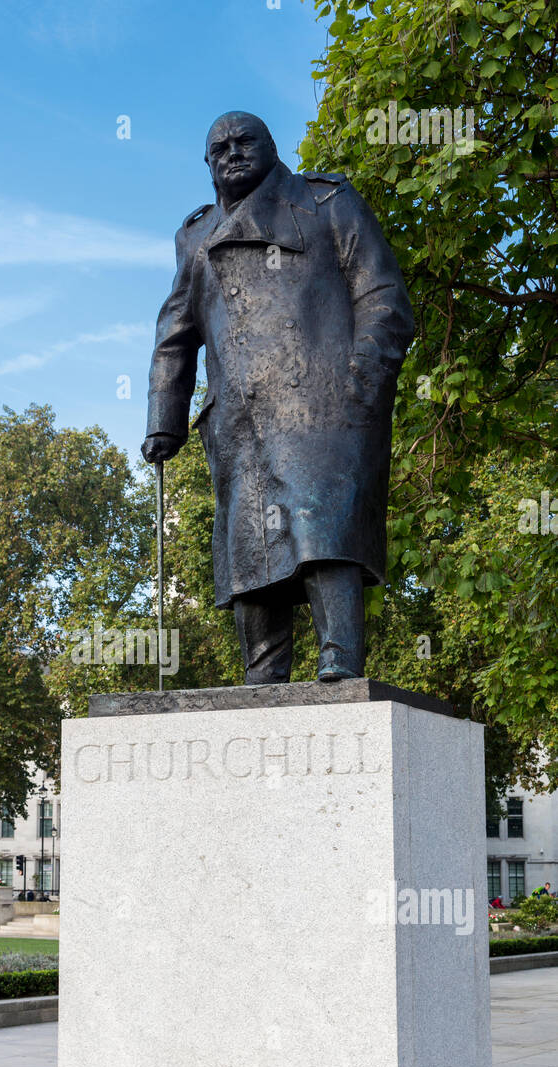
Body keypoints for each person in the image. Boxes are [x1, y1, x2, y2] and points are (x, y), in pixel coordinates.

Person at [142, 111, 414, 683]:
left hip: (326, 404)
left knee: (323, 532)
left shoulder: (326, 203)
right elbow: (175, 335)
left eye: (246, 143)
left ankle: (340, 662)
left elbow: (383, 294)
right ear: (207, 163)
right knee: (250, 554)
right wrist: (164, 420)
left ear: (272, 147)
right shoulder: (195, 237)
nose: (232, 154)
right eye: (219, 148)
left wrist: (362, 379)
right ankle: (263, 677)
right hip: (240, 418)